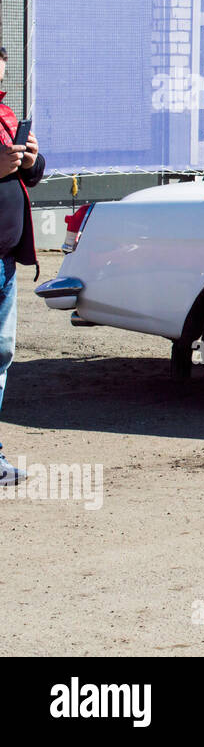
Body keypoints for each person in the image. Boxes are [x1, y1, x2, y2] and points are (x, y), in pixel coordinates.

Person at [0, 44, 44, 485]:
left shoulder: (5, 115)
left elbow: (31, 175)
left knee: (1, 354)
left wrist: (32, 161)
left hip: (6, 260)